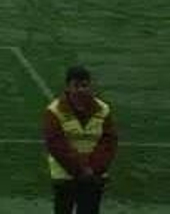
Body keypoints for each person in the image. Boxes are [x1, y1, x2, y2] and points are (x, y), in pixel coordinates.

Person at [43, 65, 118, 214]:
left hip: (93, 176)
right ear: (68, 87)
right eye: (76, 86)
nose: (81, 90)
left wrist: (93, 168)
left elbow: (108, 142)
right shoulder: (54, 111)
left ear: (90, 86)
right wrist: (82, 169)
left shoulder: (103, 109)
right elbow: (57, 145)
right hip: (66, 176)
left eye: (84, 85)